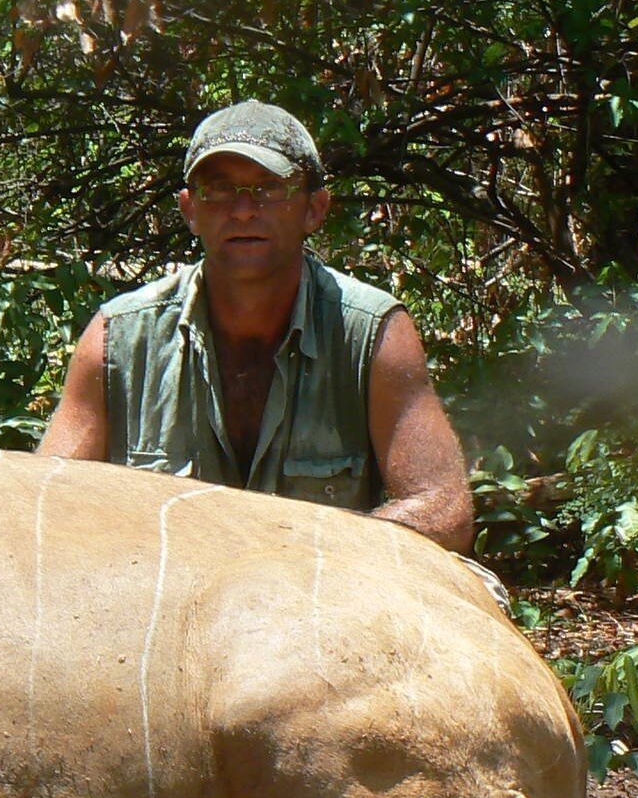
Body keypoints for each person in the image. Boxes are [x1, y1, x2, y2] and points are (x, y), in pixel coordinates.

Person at [39, 100, 475, 553]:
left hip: (315, 600)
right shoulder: (118, 338)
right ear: (190, 210)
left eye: (271, 188)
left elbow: (443, 509)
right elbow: (46, 504)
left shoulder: (371, 332)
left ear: (315, 209)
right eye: (219, 189)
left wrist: (282, 559)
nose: (244, 210)